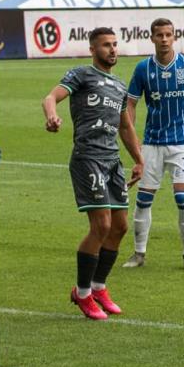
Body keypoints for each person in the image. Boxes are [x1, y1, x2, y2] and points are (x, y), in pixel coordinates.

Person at [42, 27, 144, 320]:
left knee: (120, 227)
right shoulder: (81, 75)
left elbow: (125, 127)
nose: (112, 49)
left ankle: (99, 287)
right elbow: (50, 98)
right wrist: (52, 116)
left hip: (113, 162)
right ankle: (82, 293)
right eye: (105, 45)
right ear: (92, 49)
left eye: (114, 44)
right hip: (88, 158)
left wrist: (138, 159)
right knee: (101, 225)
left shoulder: (119, 86)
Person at [121, 19, 184, 272]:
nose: (164, 39)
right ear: (151, 38)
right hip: (152, 143)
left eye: (168, 35)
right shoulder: (143, 69)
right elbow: (130, 103)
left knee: (183, 197)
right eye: (159, 35)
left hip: (182, 142)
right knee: (143, 199)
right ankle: (139, 253)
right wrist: (133, 138)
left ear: (174, 37)